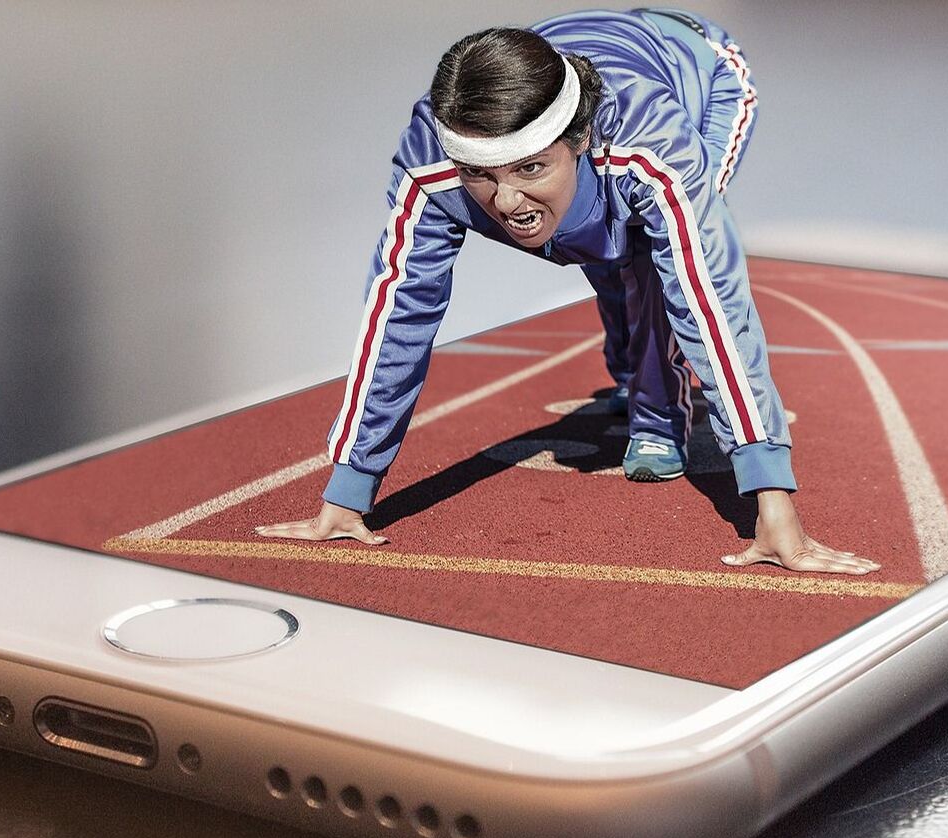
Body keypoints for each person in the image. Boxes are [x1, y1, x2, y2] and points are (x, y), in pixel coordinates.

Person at [257, 9, 878, 575]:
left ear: (578, 141)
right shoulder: (431, 162)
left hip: (701, 76)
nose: (506, 203)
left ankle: (660, 417)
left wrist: (773, 504)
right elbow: (397, 316)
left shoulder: (649, 139)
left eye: (530, 168)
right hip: (580, 82)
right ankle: (635, 374)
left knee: (657, 260)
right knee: (600, 254)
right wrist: (347, 491)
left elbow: (711, 302)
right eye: (481, 175)